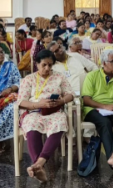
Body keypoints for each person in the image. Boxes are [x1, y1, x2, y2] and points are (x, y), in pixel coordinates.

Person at [17, 50, 74, 181]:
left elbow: (70, 94)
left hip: (54, 112)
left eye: (50, 65)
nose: (47, 68)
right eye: (44, 65)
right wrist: (39, 104)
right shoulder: (28, 79)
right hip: (34, 111)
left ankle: (38, 165)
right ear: (37, 64)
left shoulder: (59, 76)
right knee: (32, 124)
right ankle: (39, 166)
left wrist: (61, 101)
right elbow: (21, 102)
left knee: (60, 121)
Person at [80, 50, 113, 175]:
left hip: (112, 109)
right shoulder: (92, 75)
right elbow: (86, 100)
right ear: (104, 63)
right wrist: (104, 106)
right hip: (93, 109)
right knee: (104, 122)